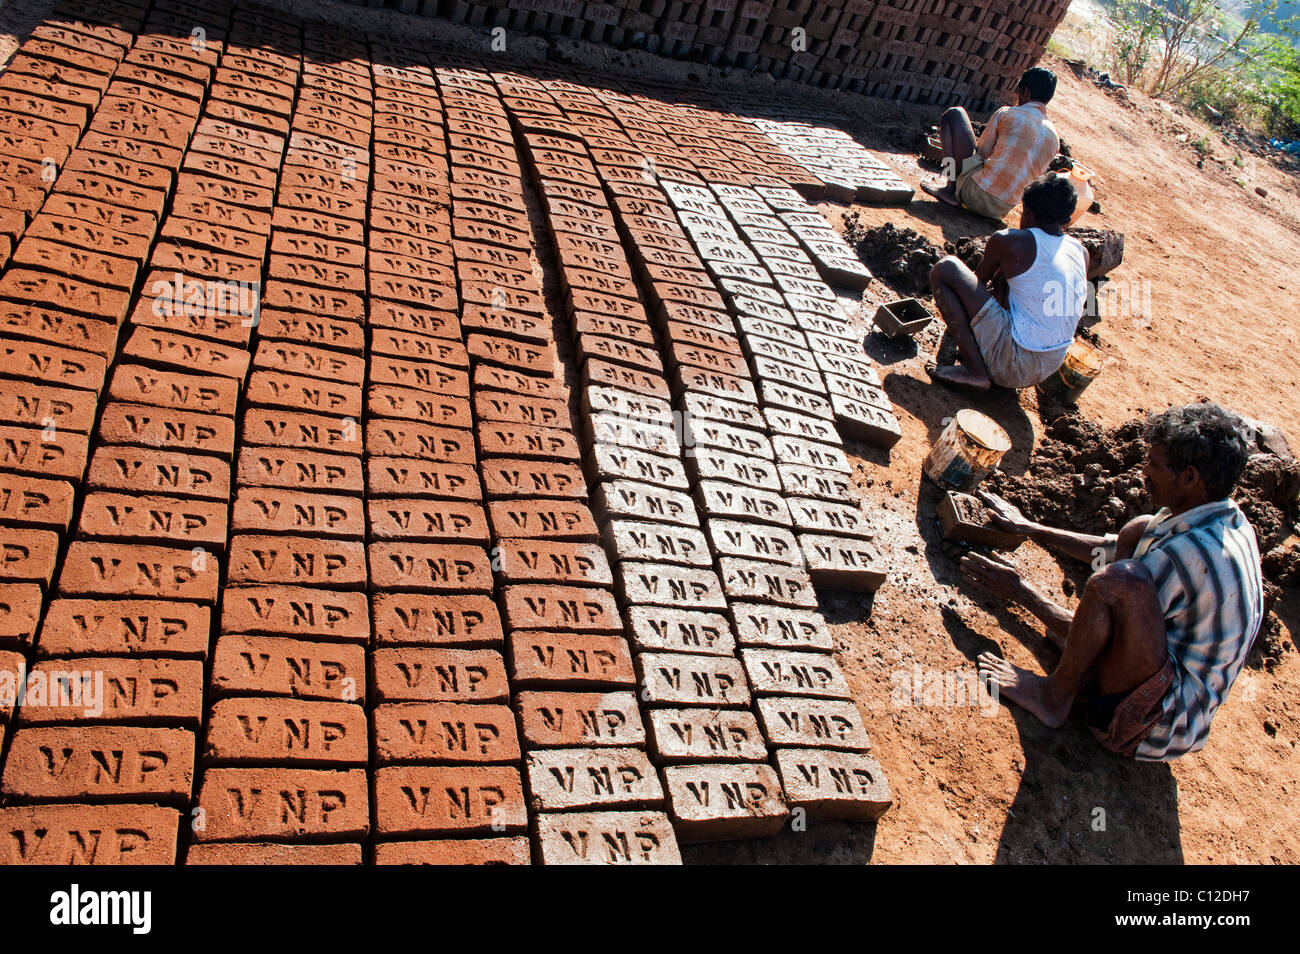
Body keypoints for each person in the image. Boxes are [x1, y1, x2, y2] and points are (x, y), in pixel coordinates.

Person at [961, 403, 1265, 760]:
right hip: (1164, 683)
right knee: (1136, 532)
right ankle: (1085, 678)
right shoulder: (1217, 513)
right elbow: (1107, 551)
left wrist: (1019, 591)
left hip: (1150, 726)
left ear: (1189, 477)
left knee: (1120, 580)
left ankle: (1053, 699)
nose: (1144, 471)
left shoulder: (1187, 555)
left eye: (1155, 464)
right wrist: (1032, 528)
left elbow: (1107, 620)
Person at [926, 174, 1089, 391]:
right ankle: (986, 362)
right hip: (1047, 367)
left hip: (1011, 364)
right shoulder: (1081, 252)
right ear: (1067, 220)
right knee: (1007, 283)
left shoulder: (1011, 241)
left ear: (1028, 211)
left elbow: (976, 285)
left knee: (947, 269)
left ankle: (976, 372)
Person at [922, 66, 1061, 220]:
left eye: (1018, 91)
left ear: (1026, 92)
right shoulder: (1054, 138)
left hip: (973, 194)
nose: (1017, 97)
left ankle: (950, 189)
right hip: (1002, 209)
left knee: (954, 114)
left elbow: (982, 152)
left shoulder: (1007, 113)